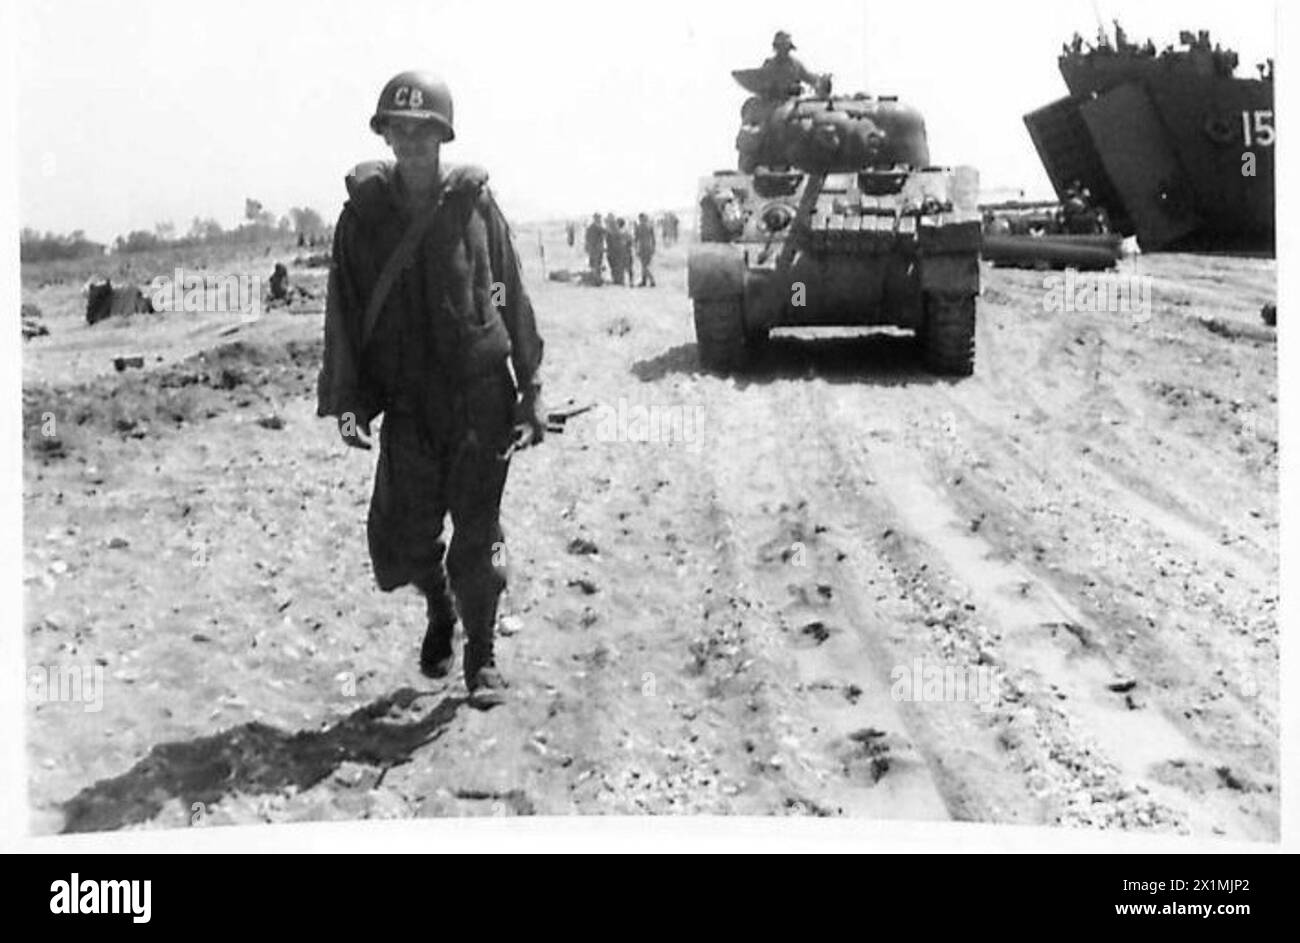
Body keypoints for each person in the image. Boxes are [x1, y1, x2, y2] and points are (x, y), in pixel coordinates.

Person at [316, 70, 546, 709]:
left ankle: (482, 655)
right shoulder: (362, 219)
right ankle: (440, 604)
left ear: (443, 136)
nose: (413, 142)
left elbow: (508, 292)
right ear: (386, 136)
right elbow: (345, 310)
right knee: (401, 540)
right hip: (409, 405)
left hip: (480, 398)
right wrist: (348, 402)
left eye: (425, 131)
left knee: (479, 531)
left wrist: (530, 386)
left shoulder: (474, 205)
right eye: (401, 129)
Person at [759, 31, 825, 98]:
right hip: (773, 101)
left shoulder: (795, 65)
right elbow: (762, 85)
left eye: (786, 48)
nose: (783, 50)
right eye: (780, 47)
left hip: (791, 101)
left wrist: (821, 81)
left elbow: (809, 78)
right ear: (776, 48)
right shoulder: (769, 65)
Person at [634, 213, 656, 287]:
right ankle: (644, 281)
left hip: (643, 248)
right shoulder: (648, 227)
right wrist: (653, 248)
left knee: (644, 266)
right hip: (646, 247)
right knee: (644, 265)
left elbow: (635, 239)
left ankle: (651, 280)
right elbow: (653, 239)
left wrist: (636, 249)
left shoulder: (639, 227)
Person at [584, 213, 606, 285]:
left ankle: (595, 279)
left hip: (593, 249)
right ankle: (597, 279)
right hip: (596, 249)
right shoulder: (597, 227)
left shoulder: (590, 227)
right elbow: (605, 232)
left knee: (594, 264)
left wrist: (587, 247)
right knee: (596, 264)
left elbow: (587, 238)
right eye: (599, 218)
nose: (600, 220)